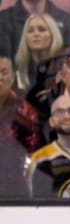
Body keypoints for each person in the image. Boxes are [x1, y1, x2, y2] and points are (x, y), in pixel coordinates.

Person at [0, 53, 45, 198]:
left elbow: (32, 153)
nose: (0, 77)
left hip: (13, 181)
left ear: (13, 77)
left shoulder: (24, 112)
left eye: (4, 72)